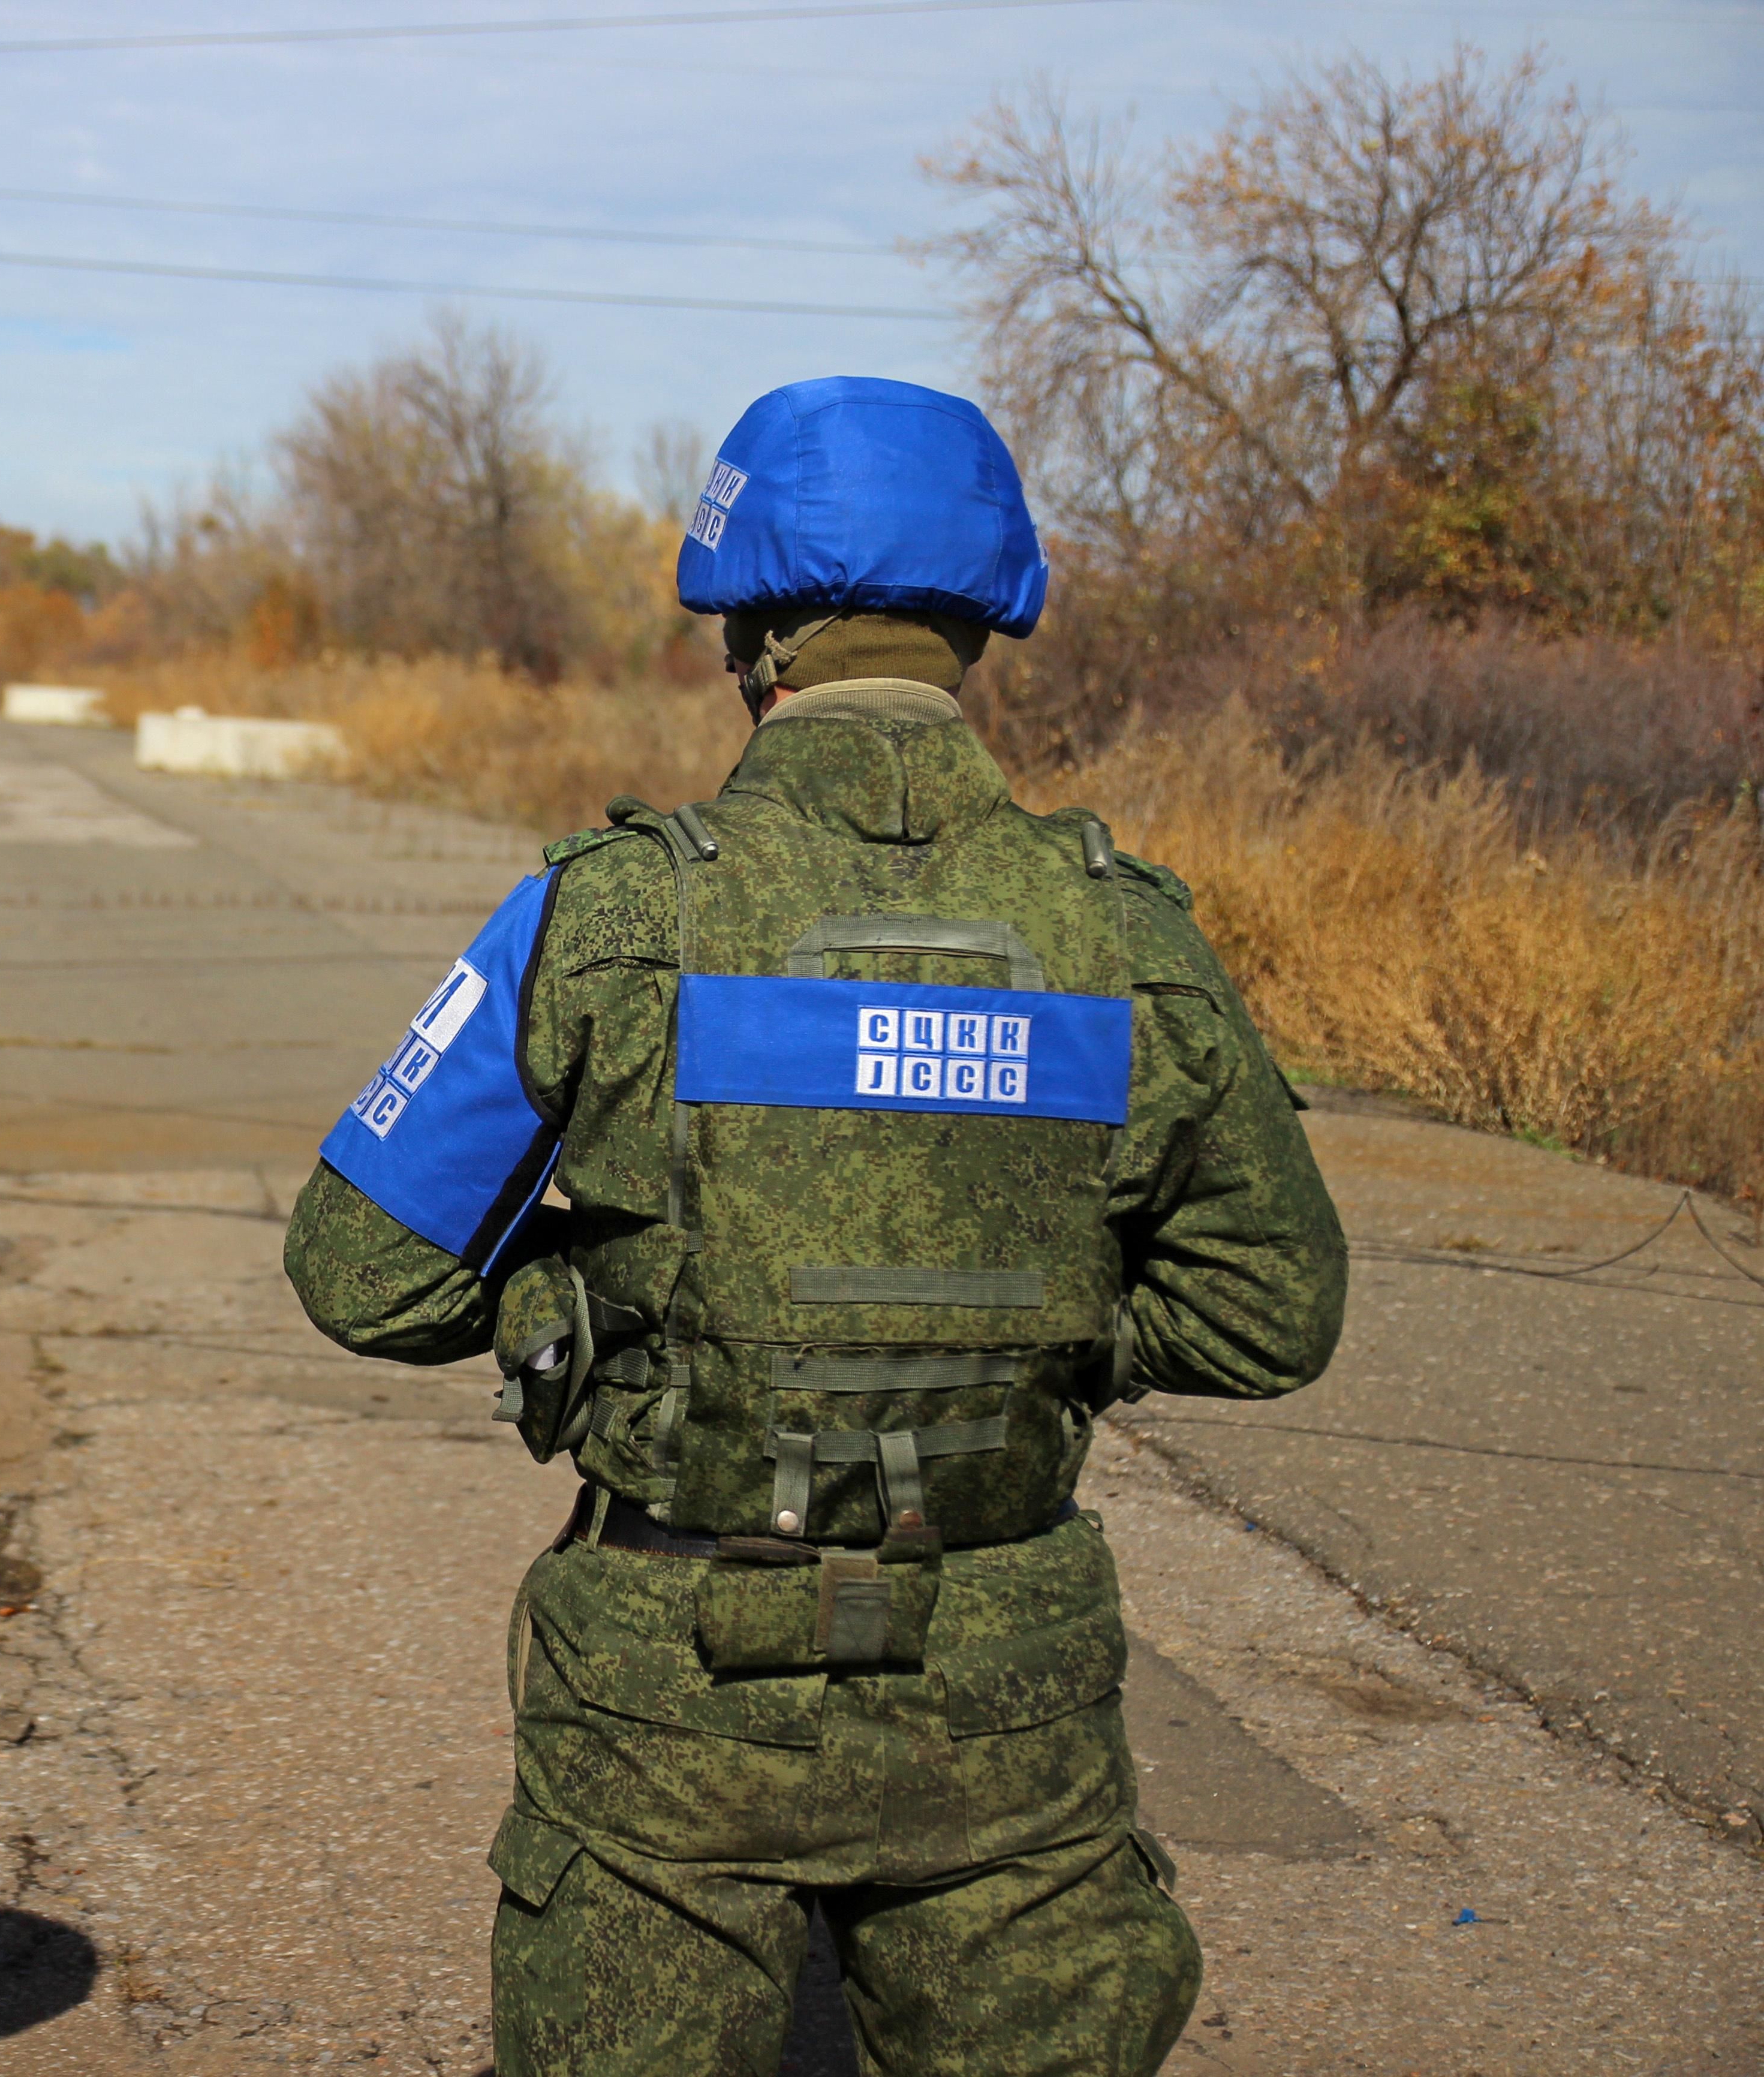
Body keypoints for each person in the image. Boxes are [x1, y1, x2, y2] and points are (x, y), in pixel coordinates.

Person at [280, 376, 1347, 2076]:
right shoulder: (1133, 939)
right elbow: (1267, 1311)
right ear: (978, 633)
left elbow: (362, 1270)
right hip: (1008, 1698)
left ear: (747, 638)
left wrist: (582, 1308)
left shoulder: (612, 912)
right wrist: (1033, 1325)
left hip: (673, 1701)